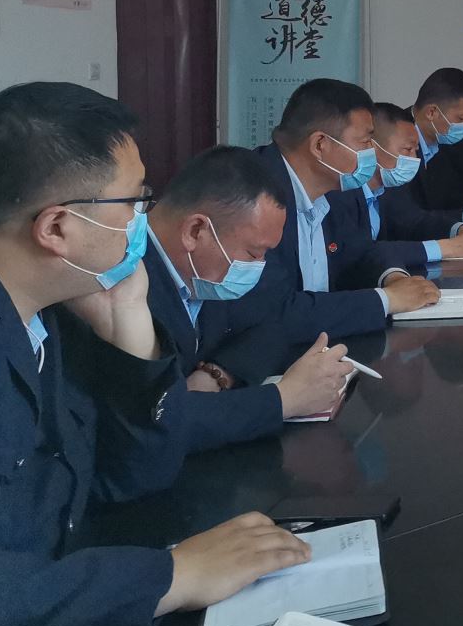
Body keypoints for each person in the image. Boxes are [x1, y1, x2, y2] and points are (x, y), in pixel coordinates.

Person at [0, 83, 311, 626]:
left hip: (44, 619)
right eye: (134, 201)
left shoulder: (45, 296)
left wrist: (131, 326)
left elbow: (130, 477)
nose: (144, 219)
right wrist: (170, 577)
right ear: (57, 227)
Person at [209, 79, 442, 382]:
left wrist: (394, 278)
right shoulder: (253, 197)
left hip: (317, 356)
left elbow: (362, 253)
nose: (372, 154)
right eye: (365, 142)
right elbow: (277, 311)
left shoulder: (336, 189)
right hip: (251, 371)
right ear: (320, 144)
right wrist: (386, 300)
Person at [145, 146, 361, 451]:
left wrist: (215, 374)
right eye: (253, 253)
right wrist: (285, 399)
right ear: (195, 231)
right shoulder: (126, 287)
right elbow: (153, 423)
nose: (259, 266)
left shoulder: (204, 271)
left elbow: (271, 324)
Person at [347, 101, 463, 260]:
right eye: (407, 149)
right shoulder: (343, 194)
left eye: (416, 150)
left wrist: (460, 230)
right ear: (372, 147)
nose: (415, 158)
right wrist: (448, 247)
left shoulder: (389, 186)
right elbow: (360, 253)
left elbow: (414, 221)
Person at [413, 67, 463, 212]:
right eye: (461, 118)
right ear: (431, 112)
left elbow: (448, 197)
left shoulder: (444, 138)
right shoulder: (399, 144)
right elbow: (411, 215)